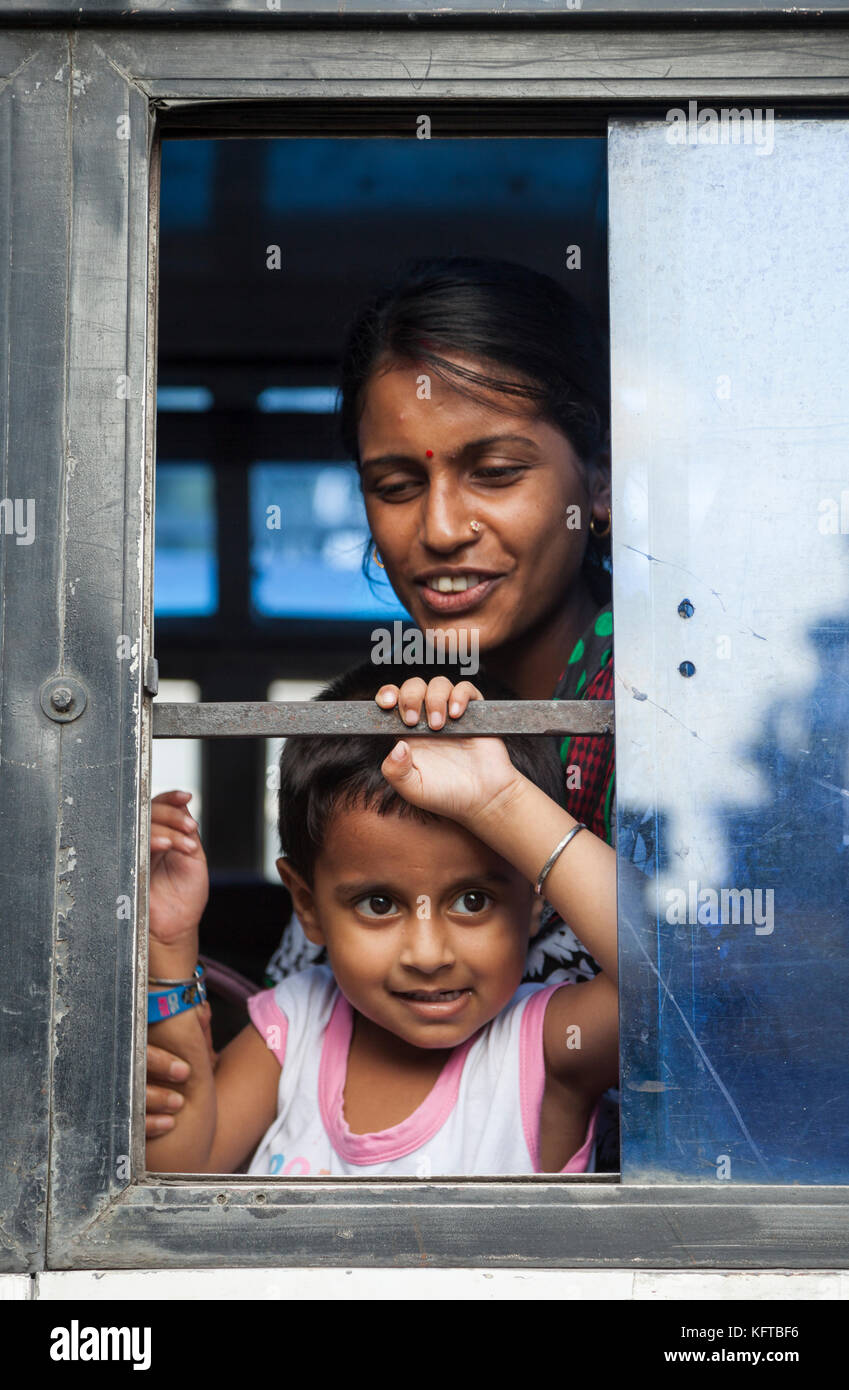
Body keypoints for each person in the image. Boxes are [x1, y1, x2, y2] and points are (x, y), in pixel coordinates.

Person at [266, 255, 615, 990]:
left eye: (494, 472)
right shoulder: (392, 722)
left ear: (601, 483)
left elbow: (715, 1006)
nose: (441, 528)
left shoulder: (668, 711)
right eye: (396, 486)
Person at [145, 668, 618, 1176]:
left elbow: (677, 978)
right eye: (378, 905)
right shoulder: (297, 1024)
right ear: (307, 905)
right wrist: (168, 945)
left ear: (534, 902)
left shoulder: (546, 1049)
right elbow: (177, 1174)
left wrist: (501, 800)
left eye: (473, 901)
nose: (428, 954)